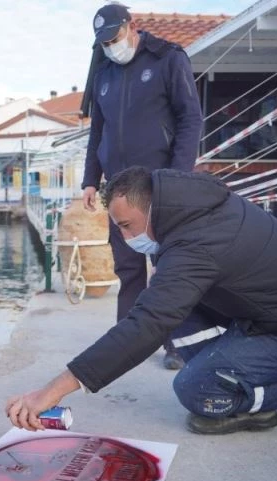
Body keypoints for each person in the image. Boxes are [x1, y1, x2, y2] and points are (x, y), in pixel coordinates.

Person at [6, 166, 277, 442]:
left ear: (151, 209)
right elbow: (159, 310)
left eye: (128, 225)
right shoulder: (196, 209)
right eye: (118, 228)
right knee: (173, 314)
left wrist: (49, 392)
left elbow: (145, 326)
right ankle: (247, 397)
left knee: (196, 390)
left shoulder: (195, 245)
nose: (126, 237)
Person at [82, 3, 204, 370]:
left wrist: (177, 178)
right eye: (103, 42)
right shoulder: (103, 71)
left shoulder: (168, 58)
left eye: (115, 38)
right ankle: (128, 341)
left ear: (133, 27)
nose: (110, 46)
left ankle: (178, 343)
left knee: (168, 268)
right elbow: (96, 132)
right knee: (128, 268)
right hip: (118, 191)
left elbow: (190, 119)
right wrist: (90, 180)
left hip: (158, 187)